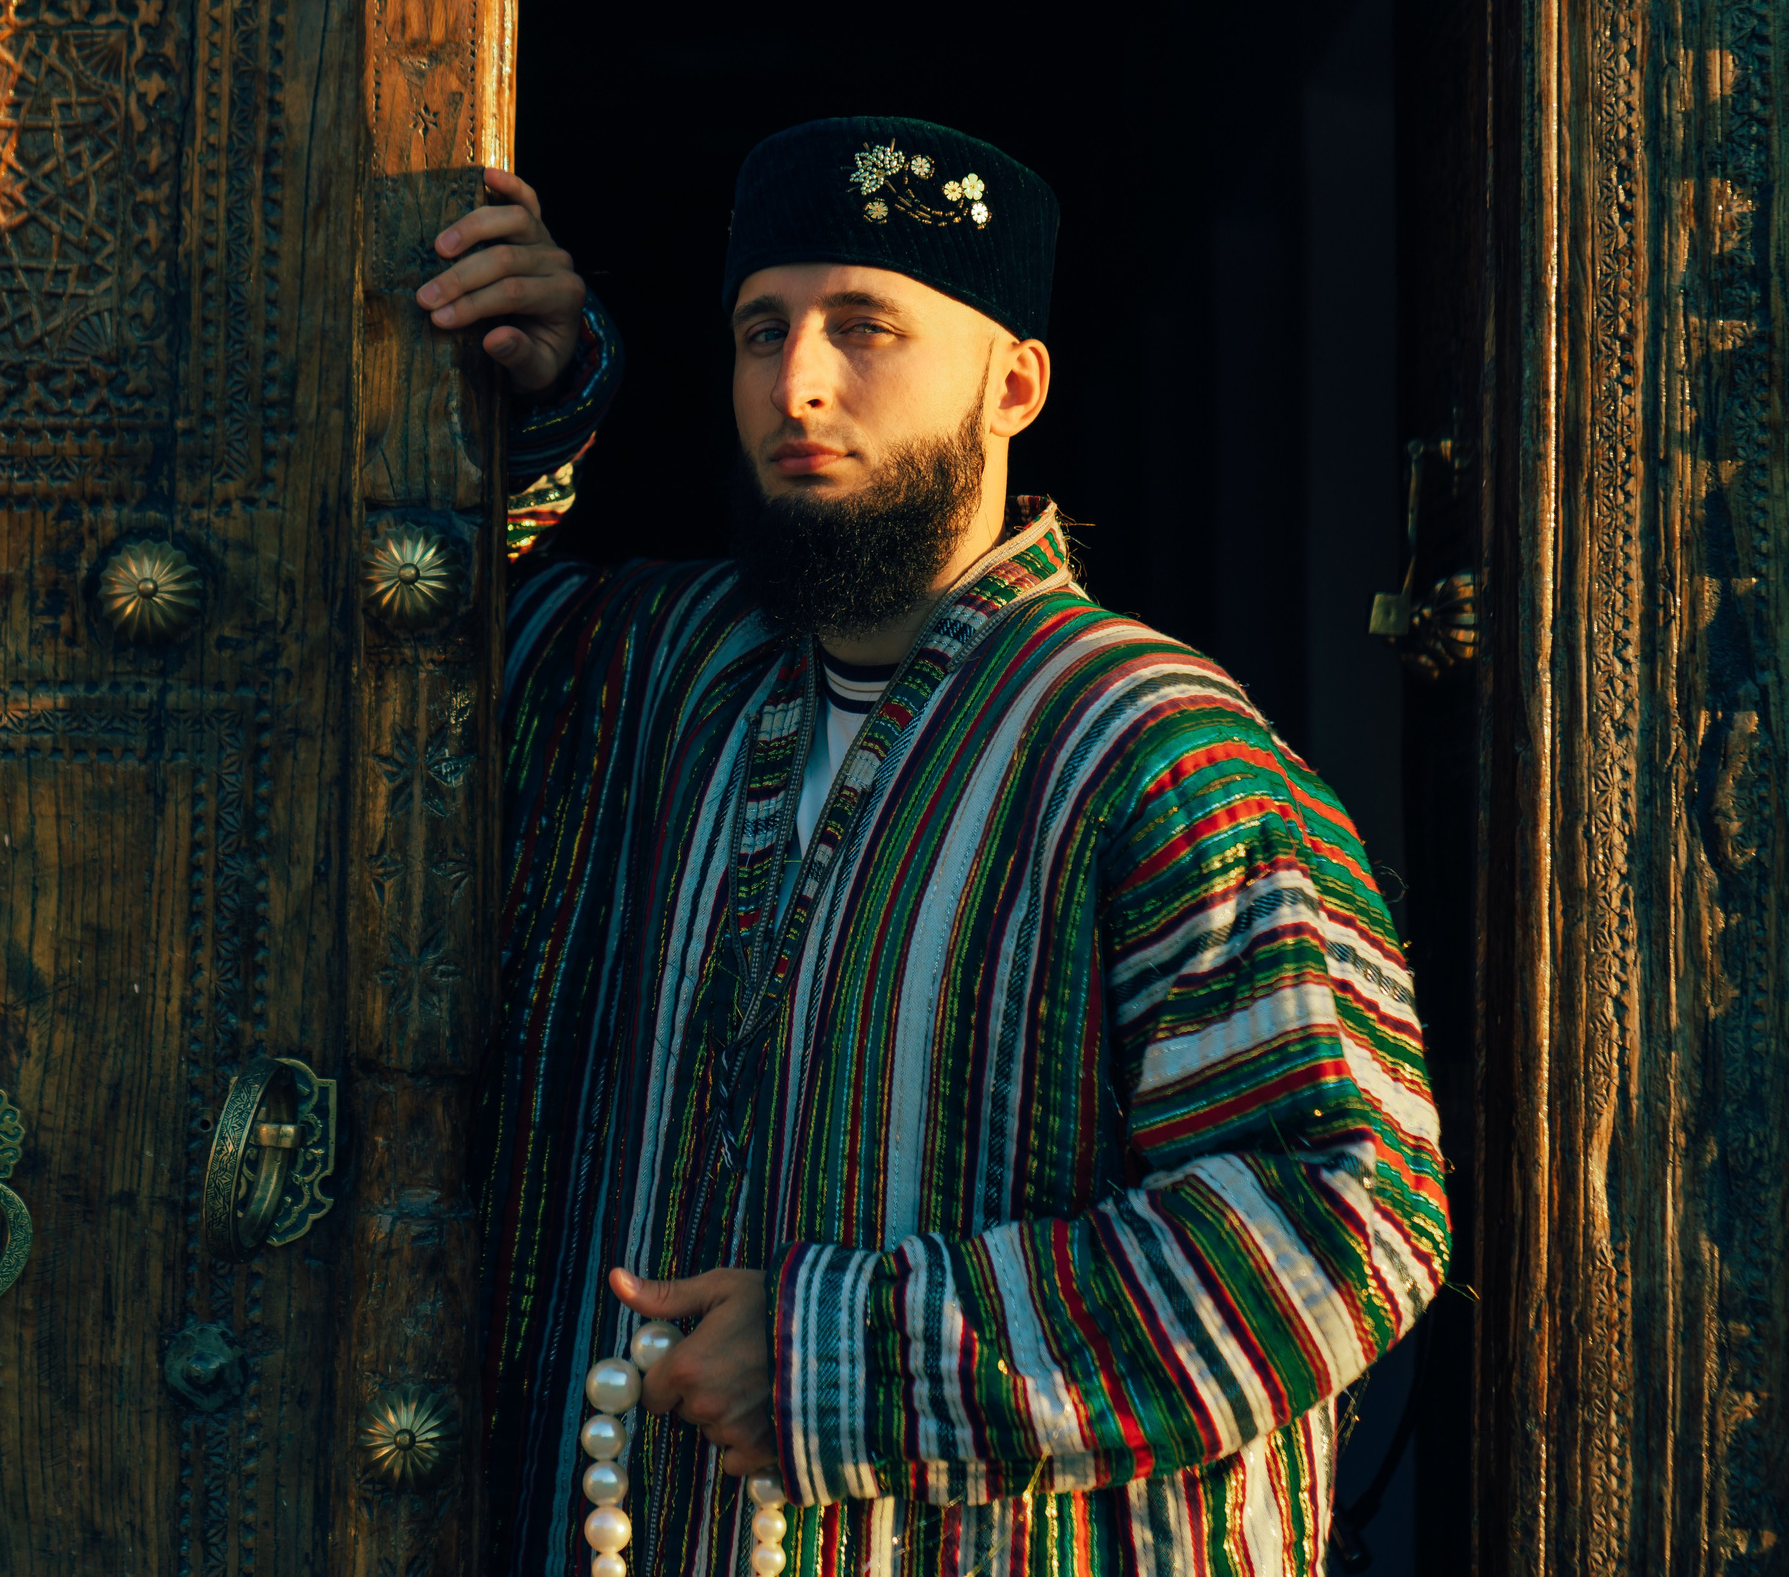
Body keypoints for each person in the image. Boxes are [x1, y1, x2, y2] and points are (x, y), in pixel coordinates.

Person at [425, 117, 1450, 1577]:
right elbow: (407, 663)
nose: (802, 384)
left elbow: (1349, 1208)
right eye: (760, 330)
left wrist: (840, 1360)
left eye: (867, 327)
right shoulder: (659, 675)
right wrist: (528, 388)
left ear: (1014, 382)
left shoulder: (1154, 749)